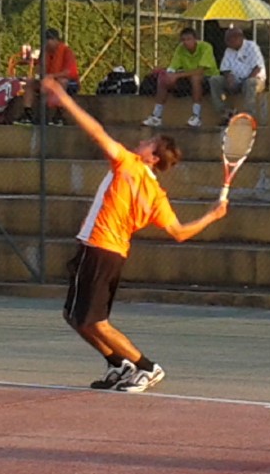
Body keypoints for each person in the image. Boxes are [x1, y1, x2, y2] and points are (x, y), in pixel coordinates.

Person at [40, 76, 229, 392]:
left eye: (148, 142)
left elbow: (97, 133)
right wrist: (211, 216)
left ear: (152, 157)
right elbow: (179, 232)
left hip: (99, 249)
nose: (141, 142)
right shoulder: (157, 194)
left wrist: (65, 98)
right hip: (108, 253)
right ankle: (120, 364)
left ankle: (147, 367)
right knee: (73, 316)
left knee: (94, 322)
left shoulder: (128, 164)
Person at [143, 27, 218, 128]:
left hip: (208, 78)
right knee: (163, 78)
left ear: (195, 39)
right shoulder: (180, 48)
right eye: (183, 40)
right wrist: (168, 74)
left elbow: (200, 71)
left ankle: (196, 117)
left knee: (195, 77)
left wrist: (177, 75)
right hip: (187, 77)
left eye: (189, 39)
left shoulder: (206, 47)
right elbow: (172, 67)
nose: (186, 42)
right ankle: (156, 116)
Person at [17, 28, 79, 126]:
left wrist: (52, 76)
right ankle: (27, 114)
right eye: (46, 39)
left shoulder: (66, 51)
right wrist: (37, 71)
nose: (47, 42)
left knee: (62, 81)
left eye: (50, 39)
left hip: (69, 82)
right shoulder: (44, 52)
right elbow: (39, 67)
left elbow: (68, 72)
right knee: (30, 82)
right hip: (48, 81)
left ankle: (59, 115)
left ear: (56, 40)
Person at [209, 27, 266, 124]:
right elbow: (225, 69)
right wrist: (229, 78)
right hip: (236, 80)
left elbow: (257, 68)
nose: (226, 42)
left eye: (229, 39)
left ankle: (248, 116)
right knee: (214, 80)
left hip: (254, 80)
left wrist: (244, 81)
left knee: (250, 82)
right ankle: (226, 112)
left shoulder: (252, 47)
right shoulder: (228, 50)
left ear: (238, 37)